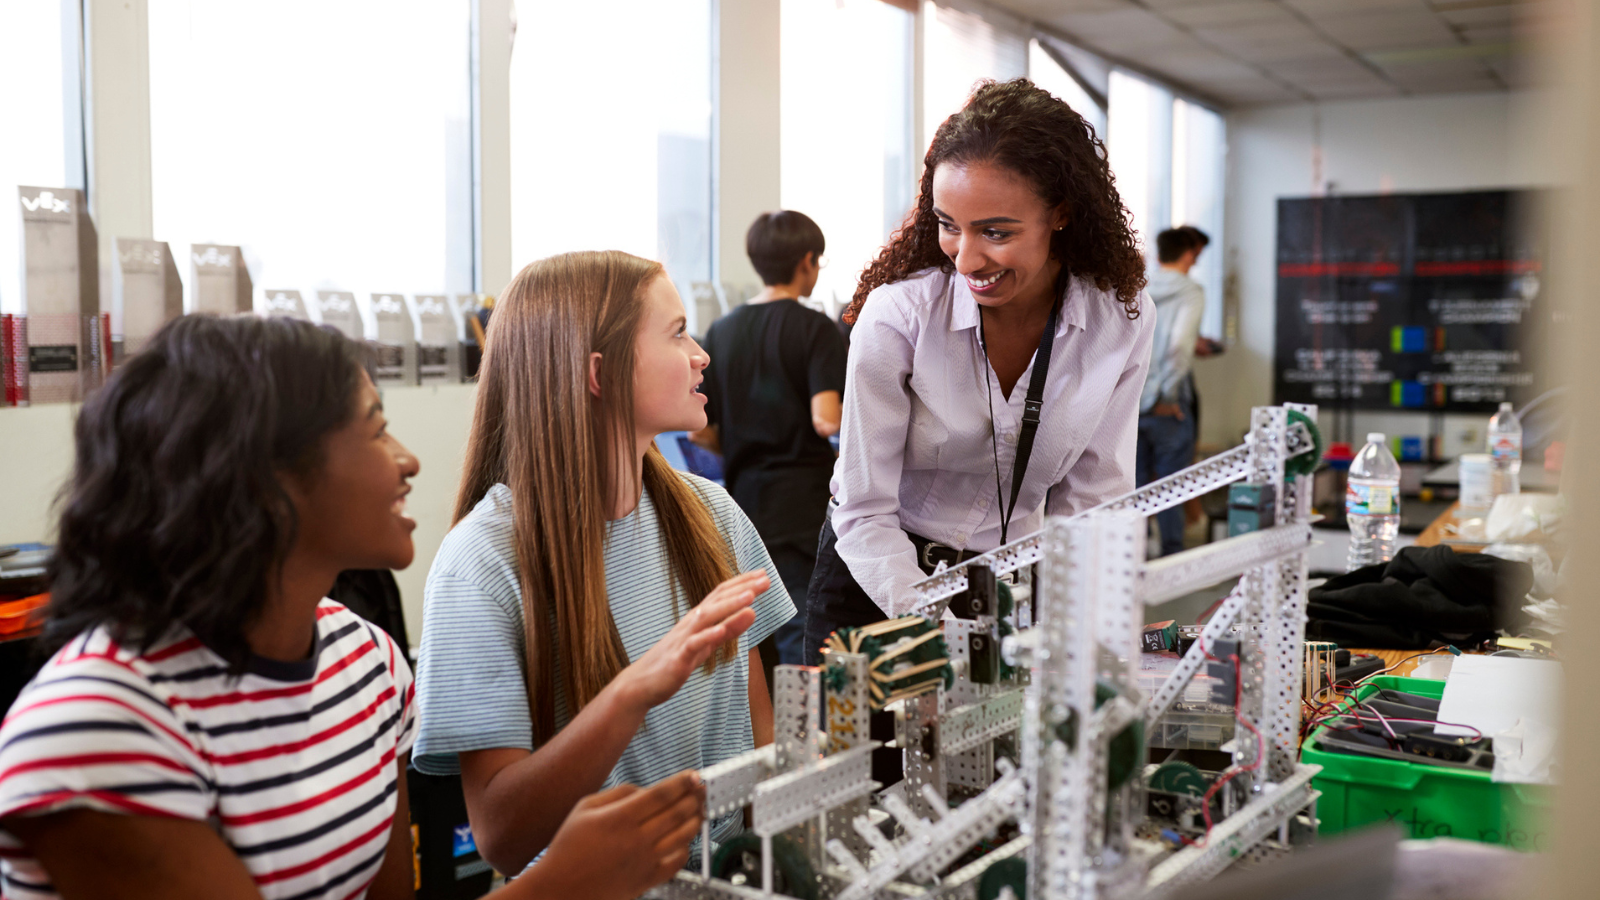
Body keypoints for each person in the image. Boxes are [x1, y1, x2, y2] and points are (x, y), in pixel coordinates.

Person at [0, 315, 708, 900]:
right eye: (374, 429)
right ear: (266, 477)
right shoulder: (96, 728)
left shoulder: (363, 660)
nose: (408, 461)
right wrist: (560, 885)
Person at [412, 251, 794, 876]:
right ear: (601, 372)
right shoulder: (480, 563)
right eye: (676, 334)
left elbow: (755, 722)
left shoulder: (712, 513)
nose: (701, 355)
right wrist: (634, 691)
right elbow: (502, 837)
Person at [806, 77, 1155, 661]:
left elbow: (1094, 500)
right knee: (874, 755)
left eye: (996, 232)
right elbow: (865, 508)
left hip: (1012, 586)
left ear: (1062, 214)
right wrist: (940, 630)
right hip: (879, 581)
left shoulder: (1118, 316)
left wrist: (1090, 630)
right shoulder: (899, 317)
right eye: (949, 225)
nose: (967, 258)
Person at [691, 211, 847, 673]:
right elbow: (826, 420)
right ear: (806, 261)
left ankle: (769, 735)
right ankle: (808, 740)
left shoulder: (721, 331)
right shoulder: (815, 328)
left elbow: (701, 430)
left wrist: (744, 446)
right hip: (803, 503)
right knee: (805, 623)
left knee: (758, 625)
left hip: (745, 503)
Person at [1138, 226, 1208, 557]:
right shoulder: (1190, 291)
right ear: (1190, 254)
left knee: (1132, 490)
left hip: (1130, 401)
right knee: (1170, 488)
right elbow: (1179, 347)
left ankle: (1130, 560)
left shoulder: (1138, 286)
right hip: (1166, 403)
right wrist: (1165, 396)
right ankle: (1171, 563)